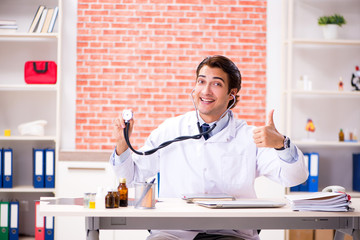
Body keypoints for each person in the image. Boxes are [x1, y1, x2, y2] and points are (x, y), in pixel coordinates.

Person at [110, 55, 308, 240]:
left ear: (232, 94)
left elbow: (294, 177)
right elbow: (131, 177)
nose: (206, 91)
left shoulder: (250, 136)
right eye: (201, 81)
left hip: (230, 233)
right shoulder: (170, 130)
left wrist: (282, 144)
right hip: (174, 233)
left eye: (216, 84)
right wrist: (122, 145)